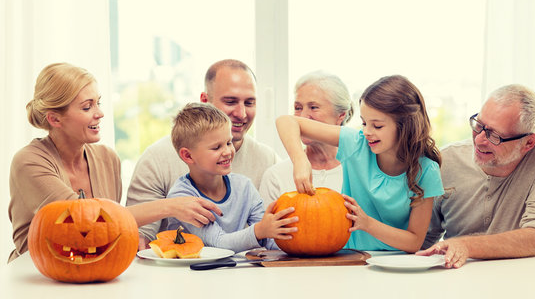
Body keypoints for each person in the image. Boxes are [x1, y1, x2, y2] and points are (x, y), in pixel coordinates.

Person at [8, 63, 222, 263]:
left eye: (98, 103)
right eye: (87, 107)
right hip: (38, 275)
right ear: (55, 119)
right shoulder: (29, 162)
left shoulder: (107, 159)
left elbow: (108, 231)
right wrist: (170, 206)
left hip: (94, 273)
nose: (99, 113)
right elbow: (84, 225)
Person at [276, 75, 444, 253]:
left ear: (405, 126)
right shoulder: (356, 144)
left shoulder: (426, 170)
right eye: (364, 123)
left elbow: (414, 242)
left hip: (398, 263)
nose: (367, 132)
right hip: (350, 259)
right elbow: (286, 121)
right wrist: (299, 160)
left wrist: (367, 223)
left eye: (377, 126)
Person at [126, 59, 280, 249]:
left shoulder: (263, 165)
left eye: (249, 102)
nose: (241, 114)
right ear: (205, 101)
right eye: (230, 101)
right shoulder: (158, 160)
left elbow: (270, 234)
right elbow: (139, 236)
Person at [418, 84, 535, 268]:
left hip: (521, 280)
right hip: (456, 278)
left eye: (494, 135)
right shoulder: (446, 161)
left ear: (528, 142)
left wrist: (465, 245)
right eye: (478, 125)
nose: (479, 140)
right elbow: (423, 238)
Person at [166, 102, 297, 253]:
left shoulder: (244, 187)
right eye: (217, 147)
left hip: (232, 272)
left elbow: (268, 238)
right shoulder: (182, 197)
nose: (228, 151)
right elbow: (218, 242)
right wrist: (259, 231)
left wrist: (296, 242)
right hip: (190, 273)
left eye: (229, 142)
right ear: (188, 155)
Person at [259, 71, 354, 206]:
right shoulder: (276, 176)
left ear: (341, 116)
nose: (302, 116)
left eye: (313, 107)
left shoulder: (358, 171)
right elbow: (267, 226)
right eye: (298, 108)